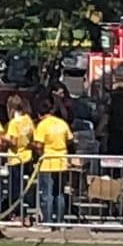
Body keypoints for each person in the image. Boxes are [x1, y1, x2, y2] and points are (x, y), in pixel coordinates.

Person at [33, 97, 73, 228]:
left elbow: (39, 145)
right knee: (59, 193)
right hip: (62, 161)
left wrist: (37, 154)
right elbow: (70, 140)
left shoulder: (42, 125)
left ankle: (47, 221)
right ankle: (60, 221)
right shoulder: (62, 123)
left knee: (47, 194)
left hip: (47, 162)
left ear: (39, 114)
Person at [3, 95, 35, 225]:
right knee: (24, 188)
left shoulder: (13, 123)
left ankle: (17, 214)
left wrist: (4, 138)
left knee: (14, 189)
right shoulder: (28, 120)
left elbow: (14, 142)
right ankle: (24, 213)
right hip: (27, 156)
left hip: (16, 158)